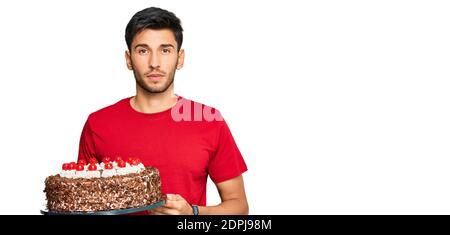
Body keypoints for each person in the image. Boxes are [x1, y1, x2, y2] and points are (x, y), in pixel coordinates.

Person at [77, 7, 248, 215]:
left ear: (180, 58)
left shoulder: (209, 120)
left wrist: (192, 213)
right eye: (143, 50)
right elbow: (82, 203)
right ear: (128, 59)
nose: (154, 63)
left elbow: (239, 206)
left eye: (165, 50)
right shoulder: (98, 124)